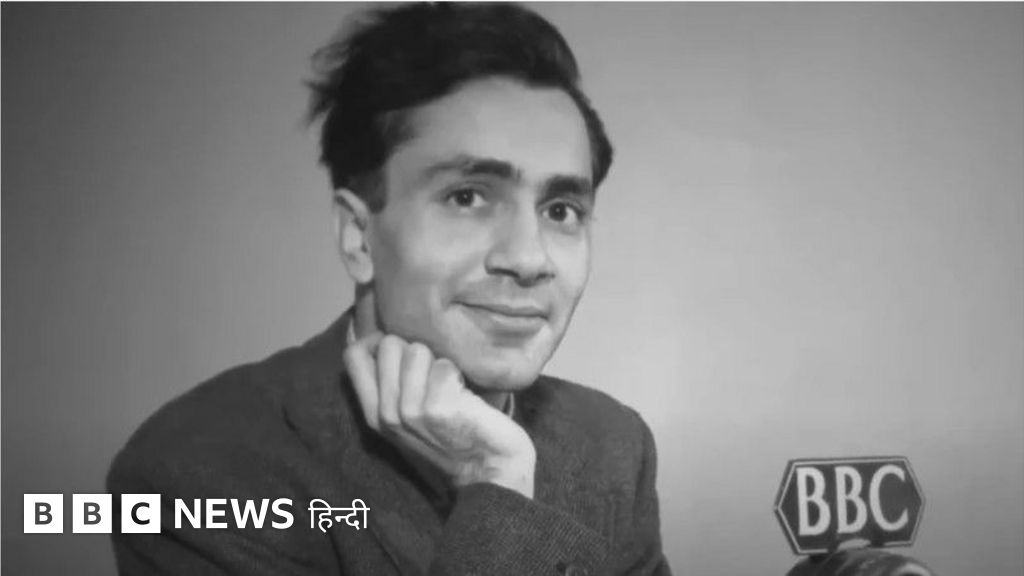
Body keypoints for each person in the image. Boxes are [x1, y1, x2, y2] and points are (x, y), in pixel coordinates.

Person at [108, 3, 670, 575]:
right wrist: (494, 480)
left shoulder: (614, 448)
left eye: (561, 209)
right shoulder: (195, 474)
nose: (529, 259)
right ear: (358, 236)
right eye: (467, 197)